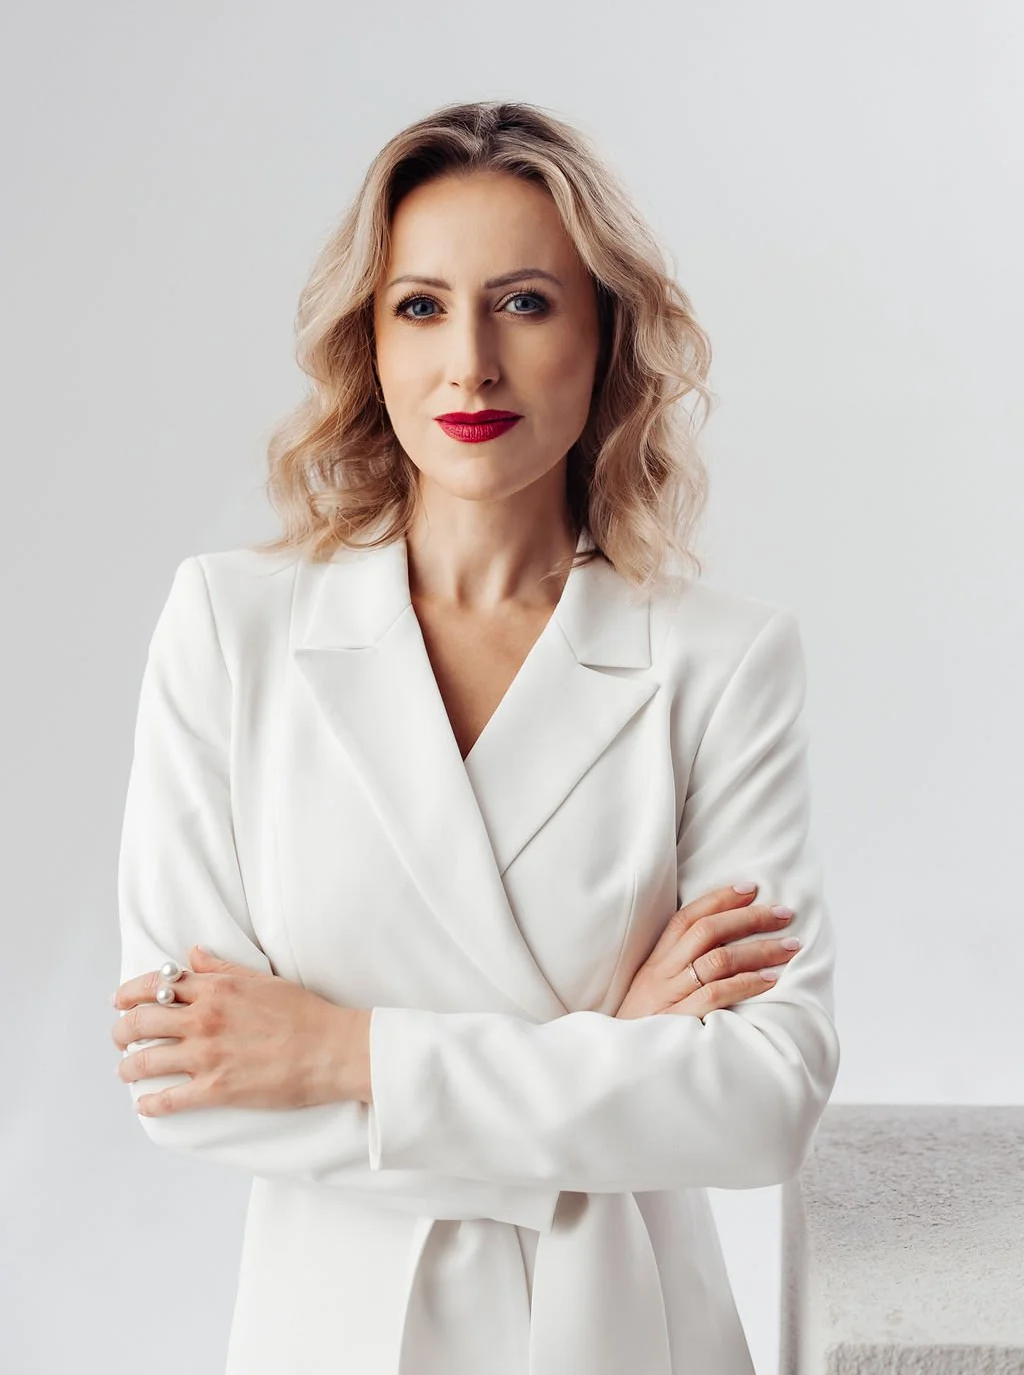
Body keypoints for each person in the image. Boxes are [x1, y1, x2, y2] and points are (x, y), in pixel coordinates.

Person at [111, 99, 839, 1375]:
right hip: (332, 1339)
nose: (470, 366)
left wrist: (342, 1053)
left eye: (524, 304)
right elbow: (187, 1079)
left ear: (605, 335)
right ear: (369, 339)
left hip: (622, 1335)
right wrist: (617, 1063)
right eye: (421, 306)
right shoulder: (233, 630)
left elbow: (761, 1104)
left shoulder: (719, 662)